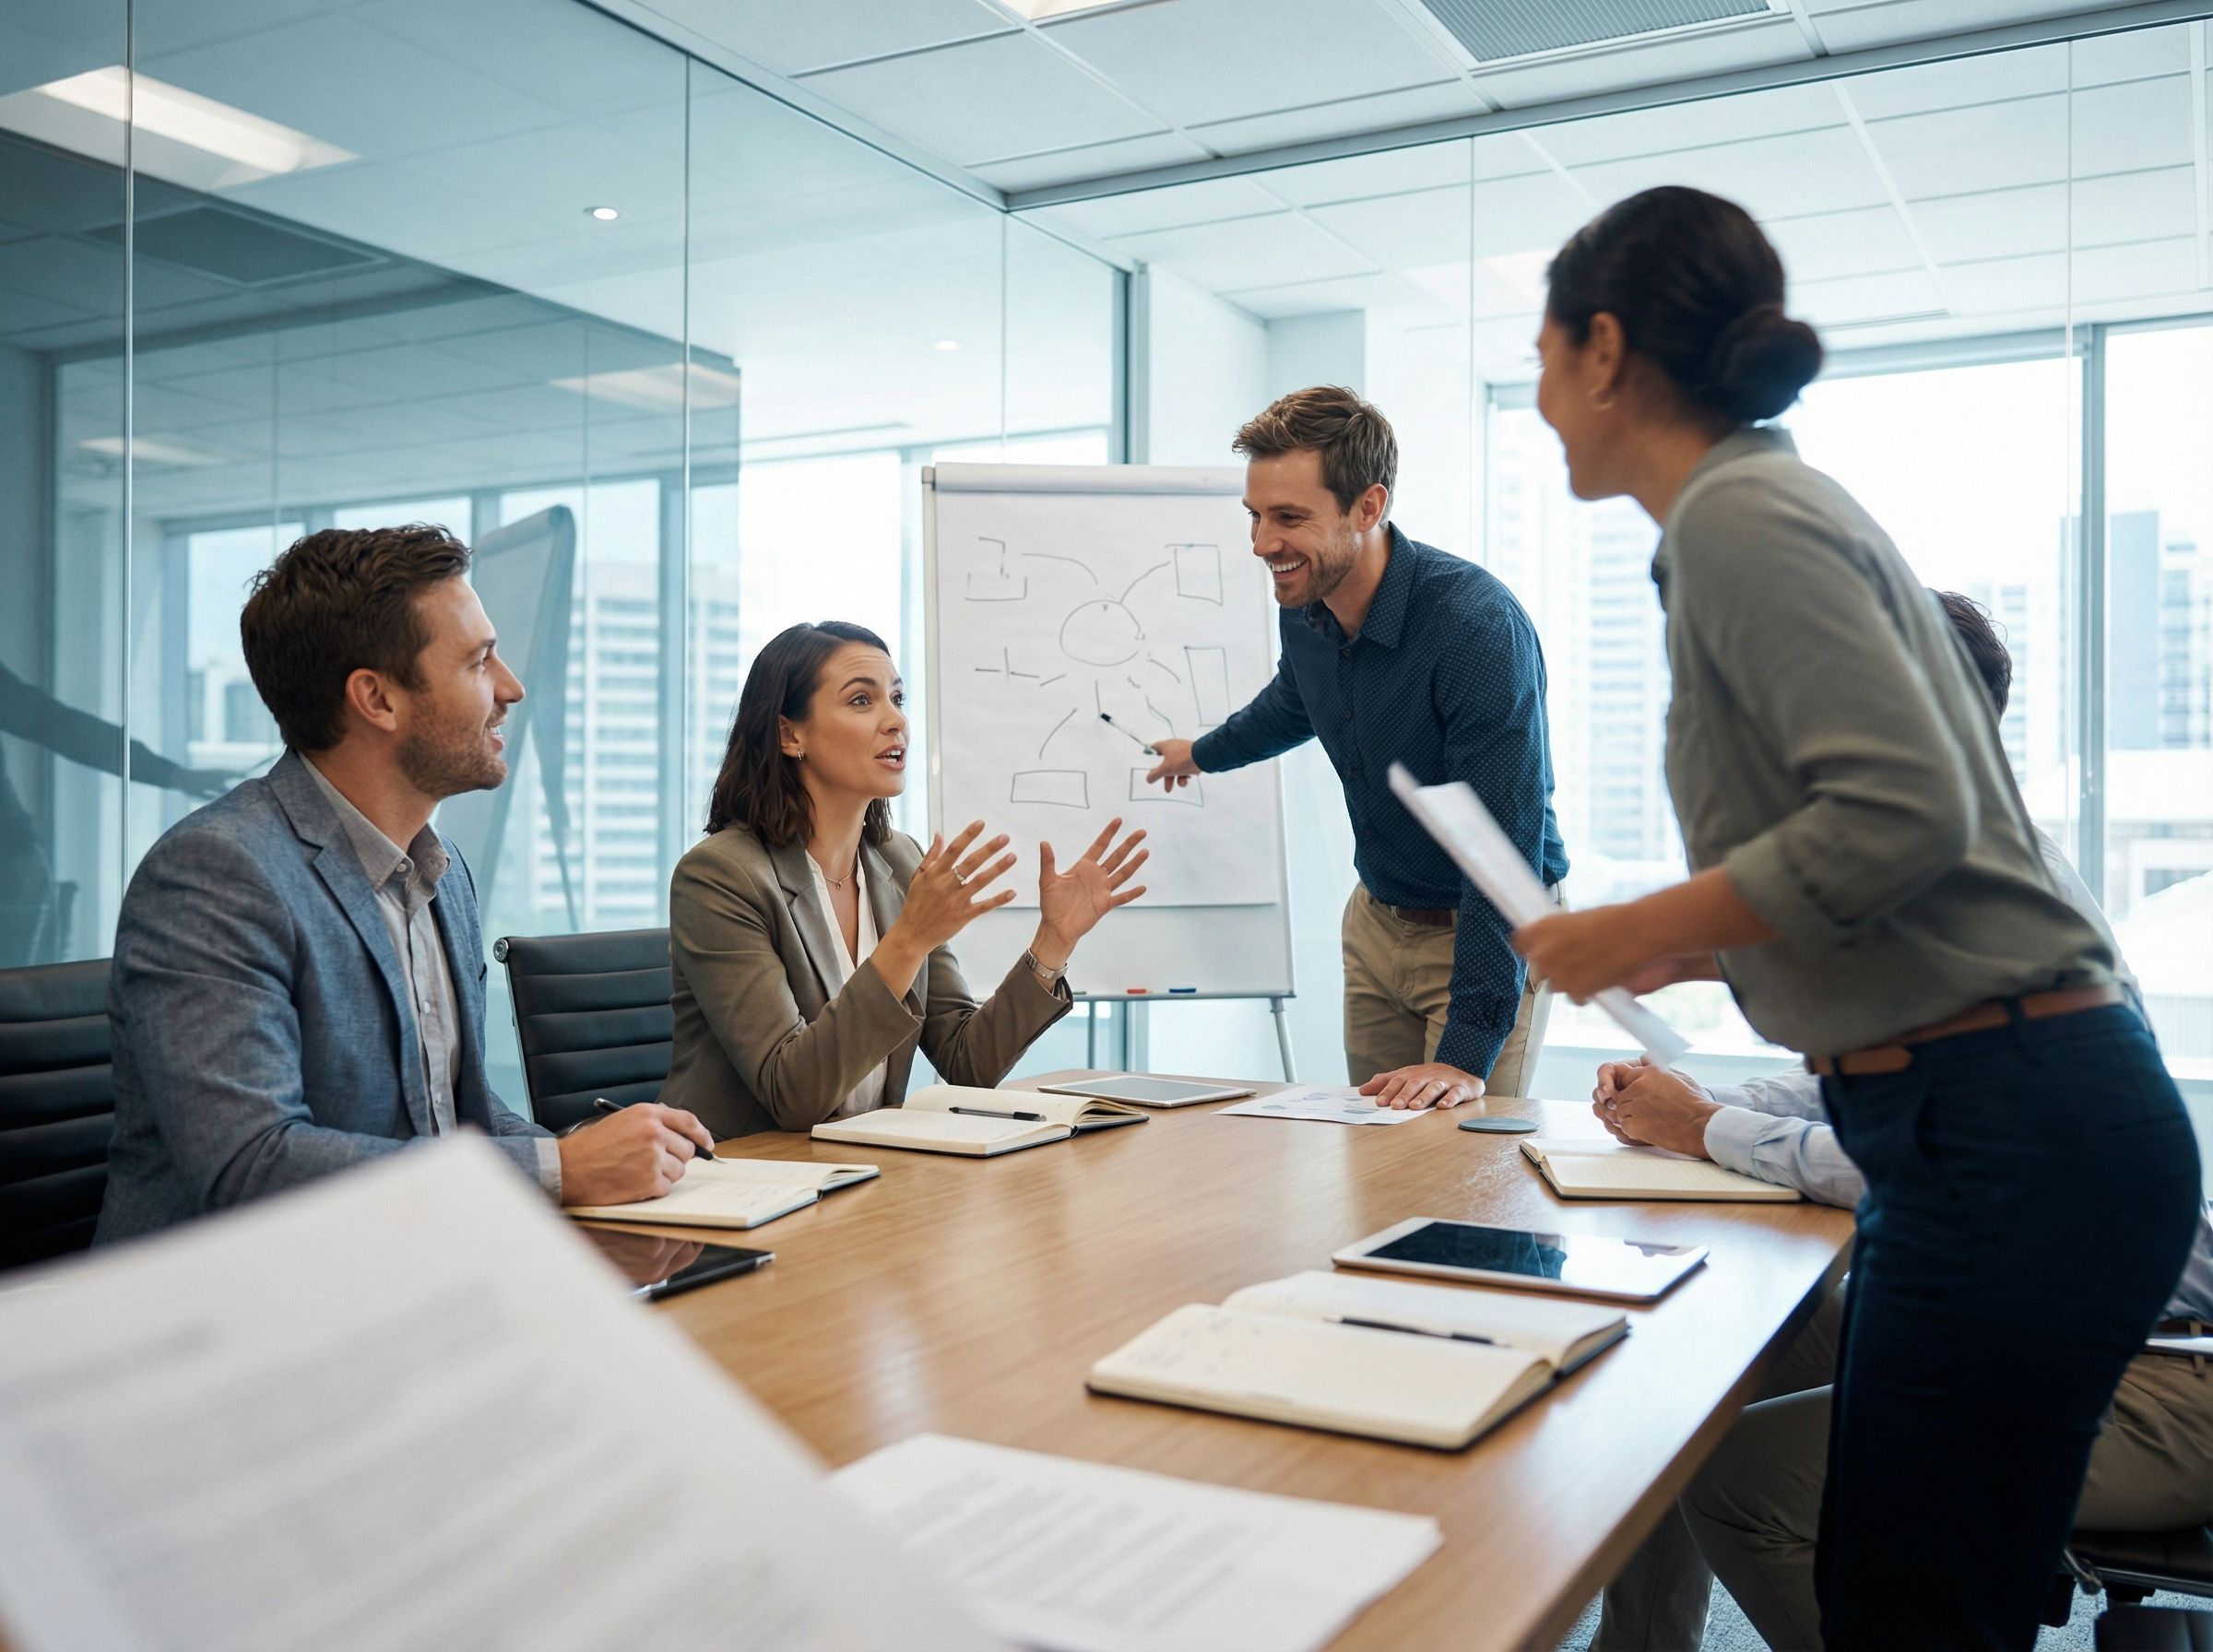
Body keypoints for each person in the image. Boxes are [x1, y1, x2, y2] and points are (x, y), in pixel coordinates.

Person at [1510, 185, 2200, 1647]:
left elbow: (1899, 811)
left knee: (1913, 1603)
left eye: (1545, 351)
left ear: (1609, 349)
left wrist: (1632, 927)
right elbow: (1897, 871)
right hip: (1986, 1133)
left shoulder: (1739, 515)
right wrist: (1696, 939)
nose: (1538, 393)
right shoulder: (1761, 503)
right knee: (1921, 1592)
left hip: (2013, 1136)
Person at [1591, 590, 2212, 1650]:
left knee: (1746, 1481)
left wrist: (1704, 1129)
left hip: (2155, 1364)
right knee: (1681, 1376)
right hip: (2019, 1311)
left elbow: (1923, 1169)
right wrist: (1703, 1105)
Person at [96, 525, 712, 1245]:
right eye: (479, 661)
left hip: (416, 1272)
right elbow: (252, 1165)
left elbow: (463, 1119)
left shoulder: (442, 873)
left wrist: (601, 1154)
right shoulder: (217, 874)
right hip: (237, 1318)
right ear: (377, 699)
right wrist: (557, 1168)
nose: (511, 688)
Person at [1142, 386, 1567, 1103]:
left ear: (1368, 508)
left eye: (1289, 518)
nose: (1261, 544)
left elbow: (1504, 854)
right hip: (1376, 920)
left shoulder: (1475, 628)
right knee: (1376, 1163)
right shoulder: (1307, 605)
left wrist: (1466, 1052)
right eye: (1254, 517)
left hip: (1487, 925)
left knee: (1460, 1174)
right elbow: (1293, 702)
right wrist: (1201, 752)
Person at [660, 620, 1147, 1140]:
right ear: (790, 734)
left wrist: (1052, 944)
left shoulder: (898, 859)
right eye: (861, 701)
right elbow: (793, 1094)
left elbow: (967, 1062)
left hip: (854, 1176)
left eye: (896, 698)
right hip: (740, 1179)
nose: (896, 721)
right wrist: (909, 939)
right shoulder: (720, 875)